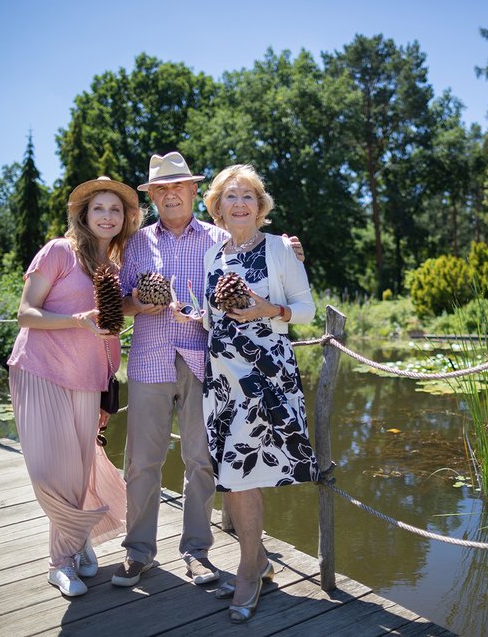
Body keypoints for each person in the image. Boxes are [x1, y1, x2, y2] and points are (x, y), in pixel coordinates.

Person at [114, 151, 304, 589]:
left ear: (195, 191)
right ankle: (138, 552)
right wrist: (138, 304)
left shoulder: (220, 237)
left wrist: (292, 251)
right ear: (152, 197)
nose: (170, 194)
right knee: (142, 461)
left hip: (208, 364)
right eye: (160, 189)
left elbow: (265, 261)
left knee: (200, 462)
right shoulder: (137, 244)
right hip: (149, 360)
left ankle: (197, 553)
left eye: (177, 186)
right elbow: (120, 303)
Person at [7, 176, 142, 596]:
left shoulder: (116, 268)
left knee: (80, 470)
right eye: (99, 208)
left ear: (124, 219)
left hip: (89, 379)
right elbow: (25, 313)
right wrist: (75, 320)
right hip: (40, 370)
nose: (107, 215)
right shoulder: (59, 251)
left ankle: (74, 544)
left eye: (115, 209)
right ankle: (60, 562)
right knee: (51, 470)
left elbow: (112, 317)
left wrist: (142, 304)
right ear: (84, 214)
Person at [198, 164, 318, 623]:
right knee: (229, 472)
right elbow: (213, 316)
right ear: (218, 208)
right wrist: (193, 315)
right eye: (230, 196)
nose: (240, 203)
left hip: (265, 375)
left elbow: (305, 309)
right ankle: (260, 558)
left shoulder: (278, 250)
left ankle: (249, 569)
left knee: (241, 473)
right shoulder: (212, 256)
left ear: (260, 206)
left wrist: (272, 310)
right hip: (222, 379)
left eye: (248, 195)